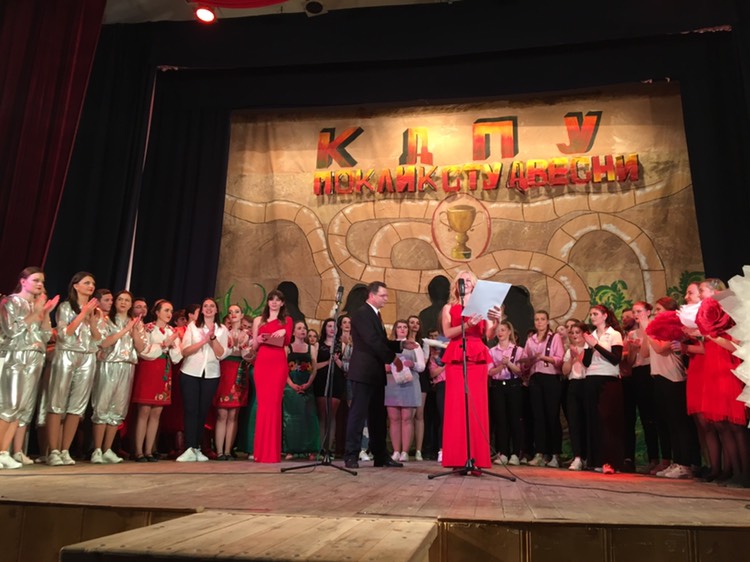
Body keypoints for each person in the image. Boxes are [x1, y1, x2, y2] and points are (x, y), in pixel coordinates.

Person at [344, 281, 415, 469]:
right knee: (358, 414)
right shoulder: (361, 314)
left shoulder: (375, 315)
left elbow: (381, 341)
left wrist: (400, 345)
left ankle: (380, 455)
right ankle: (351, 454)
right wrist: (393, 359)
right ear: (371, 295)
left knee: (377, 416)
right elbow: (372, 341)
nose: (386, 299)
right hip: (363, 371)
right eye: (383, 295)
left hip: (375, 373)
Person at [440, 270, 502, 470]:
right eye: (462, 280)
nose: (465, 283)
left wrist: (497, 321)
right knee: (456, 407)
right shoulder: (449, 307)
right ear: (456, 284)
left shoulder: (483, 306)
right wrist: (467, 325)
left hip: (476, 356)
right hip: (456, 354)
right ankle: (457, 459)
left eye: (469, 280)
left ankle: (477, 458)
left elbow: (489, 334)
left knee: (477, 406)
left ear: (475, 285)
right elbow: (448, 332)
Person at [0, 267, 57, 469]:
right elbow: (11, 330)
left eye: (42, 281)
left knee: (20, 408)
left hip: (35, 358)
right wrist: (37, 311)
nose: (40, 284)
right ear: (23, 281)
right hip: (15, 357)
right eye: (36, 280)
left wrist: (45, 313)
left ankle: (4, 451)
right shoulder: (10, 301)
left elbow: (45, 335)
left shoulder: (36, 305)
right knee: (10, 405)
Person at [46, 271, 102, 466]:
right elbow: (64, 334)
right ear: (76, 286)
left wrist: (93, 321)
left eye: (92, 283)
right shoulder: (65, 307)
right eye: (86, 283)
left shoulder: (96, 311)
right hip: (66, 354)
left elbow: (98, 339)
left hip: (87, 357)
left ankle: (65, 449)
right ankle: (53, 450)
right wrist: (83, 314)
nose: (91, 286)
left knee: (76, 407)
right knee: (57, 403)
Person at [90, 290, 145, 464]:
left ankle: (108, 449)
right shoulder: (107, 320)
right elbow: (103, 343)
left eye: (127, 300)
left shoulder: (136, 323)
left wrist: (134, 331)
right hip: (109, 364)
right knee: (102, 405)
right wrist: (124, 330)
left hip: (126, 365)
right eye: (120, 299)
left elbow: (141, 347)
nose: (123, 302)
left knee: (118, 408)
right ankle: (97, 449)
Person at [177, 298, 228, 462]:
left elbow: (221, 354)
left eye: (212, 306)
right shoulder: (193, 326)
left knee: (203, 411)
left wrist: (212, 338)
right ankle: (189, 448)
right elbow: (185, 351)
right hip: (190, 372)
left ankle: (197, 447)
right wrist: (203, 341)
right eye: (205, 306)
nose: (208, 308)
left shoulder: (222, 329)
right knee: (191, 410)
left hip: (211, 374)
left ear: (217, 310)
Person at [251, 290, 293, 463]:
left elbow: (288, 340)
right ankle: (260, 452)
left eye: (278, 300)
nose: (274, 303)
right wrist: (259, 340)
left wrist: (283, 332)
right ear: (267, 302)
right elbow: (254, 346)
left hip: (278, 364)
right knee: (263, 406)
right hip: (262, 364)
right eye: (271, 299)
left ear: (282, 303)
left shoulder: (287, 320)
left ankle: (271, 453)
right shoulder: (258, 321)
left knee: (274, 406)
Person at [582, 305, 625, 474]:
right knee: (594, 420)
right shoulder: (591, 336)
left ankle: (610, 461)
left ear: (605, 316)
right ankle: (596, 460)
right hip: (591, 378)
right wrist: (589, 346)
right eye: (591, 314)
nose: (592, 316)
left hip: (608, 379)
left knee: (607, 419)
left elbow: (615, 359)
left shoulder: (614, 334)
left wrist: (597, 345)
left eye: (595, 314)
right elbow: (586, 362)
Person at [522, 309, 565, 468]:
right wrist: (527, 362)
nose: (539, 322)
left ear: (547, 321)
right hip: (535, 378)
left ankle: (555, 454)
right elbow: (525, 362)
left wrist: (543, 357)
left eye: (542, 319)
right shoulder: (531, 340)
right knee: (538, 417)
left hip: (550, 378)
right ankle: (539, 452)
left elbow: (560, 359)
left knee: (552, 416)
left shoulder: (554, 337)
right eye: (537, 319)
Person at [385, 320, 425, 462]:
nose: (402, 329)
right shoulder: (389, 345)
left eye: (405, 327)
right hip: (392, 383)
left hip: (409, 383)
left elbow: (422, 366)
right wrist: (386, 367)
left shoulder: (415, 345)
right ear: (395, 330)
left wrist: (412, 364)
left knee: (407, 418)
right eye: (399, 327)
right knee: (394, 419)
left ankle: (405, 451)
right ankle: (396, 451)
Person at [214, 304, 250, 460]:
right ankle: (219, 451)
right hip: (224, 370)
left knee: (234, 414)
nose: (233, 314)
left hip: (239, 371)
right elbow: (219, 352)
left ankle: (228, 450)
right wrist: (233, 345)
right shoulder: (223, 332)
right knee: (222, 413)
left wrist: (244, 348)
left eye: (237, 311)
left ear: (241, 315)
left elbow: (248, 356)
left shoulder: (246, 334)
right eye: (230, 312)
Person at [488, 320, 526, 467]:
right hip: (498, 386)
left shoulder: (518, 350)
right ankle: (503, 452)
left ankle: (516, 453)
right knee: (500, 420)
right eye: (498, 330)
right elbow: (490, 372)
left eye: (503, 330)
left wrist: (509, 363)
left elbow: (521, 371)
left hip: (514, 385)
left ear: (509, 332)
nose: (500, 333)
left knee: (515, 419)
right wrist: (500, 366)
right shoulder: (492, 351)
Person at [282, 321, 319, 459]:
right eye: (299, 328)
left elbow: (314, 368)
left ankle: (310, 450)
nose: (303, 330)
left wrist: (308, 383)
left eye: (304, 328)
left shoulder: (311, 348)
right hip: (291, 386)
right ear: (293, 332)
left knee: (309, 417)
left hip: (307, 385)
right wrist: (291, 384)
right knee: (291, 418)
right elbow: (283, 368)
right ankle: (290, 450)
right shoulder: (287, 348)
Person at [562, 321, 588, 471]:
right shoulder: (569, 351)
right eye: (572, 333)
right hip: (573, 384)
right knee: (574, 422)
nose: (575, 336)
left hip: (587, 384)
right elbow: (565, 371)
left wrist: (579, 355)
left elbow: (588, 365)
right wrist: (572, 358)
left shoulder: (590, 348)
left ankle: (588, 456)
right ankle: (577, 456)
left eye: (578, 332)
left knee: (587, 421)